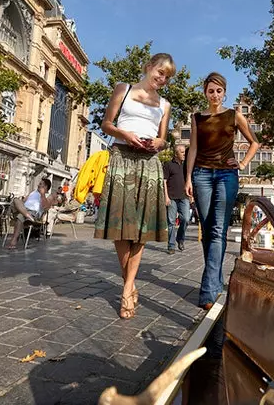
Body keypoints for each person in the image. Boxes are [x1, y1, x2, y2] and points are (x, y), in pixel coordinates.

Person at [94, 52, 175, 320]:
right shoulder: (123, 88)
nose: (162, 79)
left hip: (149, 162)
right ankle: (130, 284)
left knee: (140, 229)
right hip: (122, 157)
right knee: (121, 226)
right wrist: (124, 133)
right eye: (160, 72)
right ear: (149, 67)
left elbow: (164, 139)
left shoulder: (165, 104)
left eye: (166, 76)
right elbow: (106, 124)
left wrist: (159, 143)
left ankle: (127, 288)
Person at [185, 72, 260, 310]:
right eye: (210, 91)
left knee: (218, 230)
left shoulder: (234, 115)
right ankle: (215, 283)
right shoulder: (197, 118)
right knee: (207, 231)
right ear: (205, 93)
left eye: (219, 91)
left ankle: (208, 291)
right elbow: (193, 149)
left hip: (227, 176)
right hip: (201, 175)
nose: (215, 95)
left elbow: (254, 142)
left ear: (224, 92)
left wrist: (242, 163)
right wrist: (188, 177)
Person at [6, 178, 57, 250]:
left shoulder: (49, 195)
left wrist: (42, 195)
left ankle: (14, 240)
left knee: (20, 216)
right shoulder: (33, 192)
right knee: (16, 200)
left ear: (45, 187)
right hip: (24, 210)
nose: (38, 185)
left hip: (33, 213)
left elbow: (45, 207)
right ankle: (27, 215)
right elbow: (23, 201)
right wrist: (20, 205)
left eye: (40, 184)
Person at [163, 144, 189, 254]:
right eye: (182, 152)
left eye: (184, 152)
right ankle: (171, 245)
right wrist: (166, 197)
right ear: (176, 153)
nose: (184, 154)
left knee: (186, 219)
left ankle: (180, 239)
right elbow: (164, 181)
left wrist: (191, 195)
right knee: (171, 222)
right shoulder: (168, 164)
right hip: (172, 197)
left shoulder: (186, 165)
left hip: (184, 196)